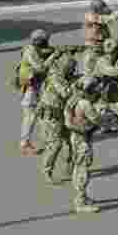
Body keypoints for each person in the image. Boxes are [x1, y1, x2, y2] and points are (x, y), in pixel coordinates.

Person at [63, 75, 108, 213]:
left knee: (79, 167)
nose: (97, 90)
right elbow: (96, 119)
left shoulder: (74, 100)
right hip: (82, 138)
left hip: (76, 135)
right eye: (95, 88)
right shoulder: (85, 104)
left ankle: (83, 197)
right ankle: (80, 202)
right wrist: (107, 119)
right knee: (83, 169)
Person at [16, 29, 59, 156]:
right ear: (39, 41)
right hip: (30, 88)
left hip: (36, 87)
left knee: (41, 113)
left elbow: (46, 52)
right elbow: (40, 67)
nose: (47, 43)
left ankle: (47, 138)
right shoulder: (30, 52)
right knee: (30, 116)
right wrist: (53, 56)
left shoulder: (36, 49)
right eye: (45, 41)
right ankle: (25, 144)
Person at [38, 52, 77, 184]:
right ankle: (47, 171)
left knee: (71, 140)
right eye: (71, 68)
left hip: (61, 114)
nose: (73, 71)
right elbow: (66, 92)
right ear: (66, 67)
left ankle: (69, 167)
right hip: (51, 116)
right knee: (55, 144)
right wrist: (78, 84)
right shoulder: (57, 77)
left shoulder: (60, 75)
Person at [82, 0, 118, 73]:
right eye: (102, 7)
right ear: (96, 9)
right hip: (93, 44)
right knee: (90, 68)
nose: (104, 9)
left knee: (110, 59)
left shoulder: (98, 13)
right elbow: (108, 18)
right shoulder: (90, 16)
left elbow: (111, 13)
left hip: (103, 43)